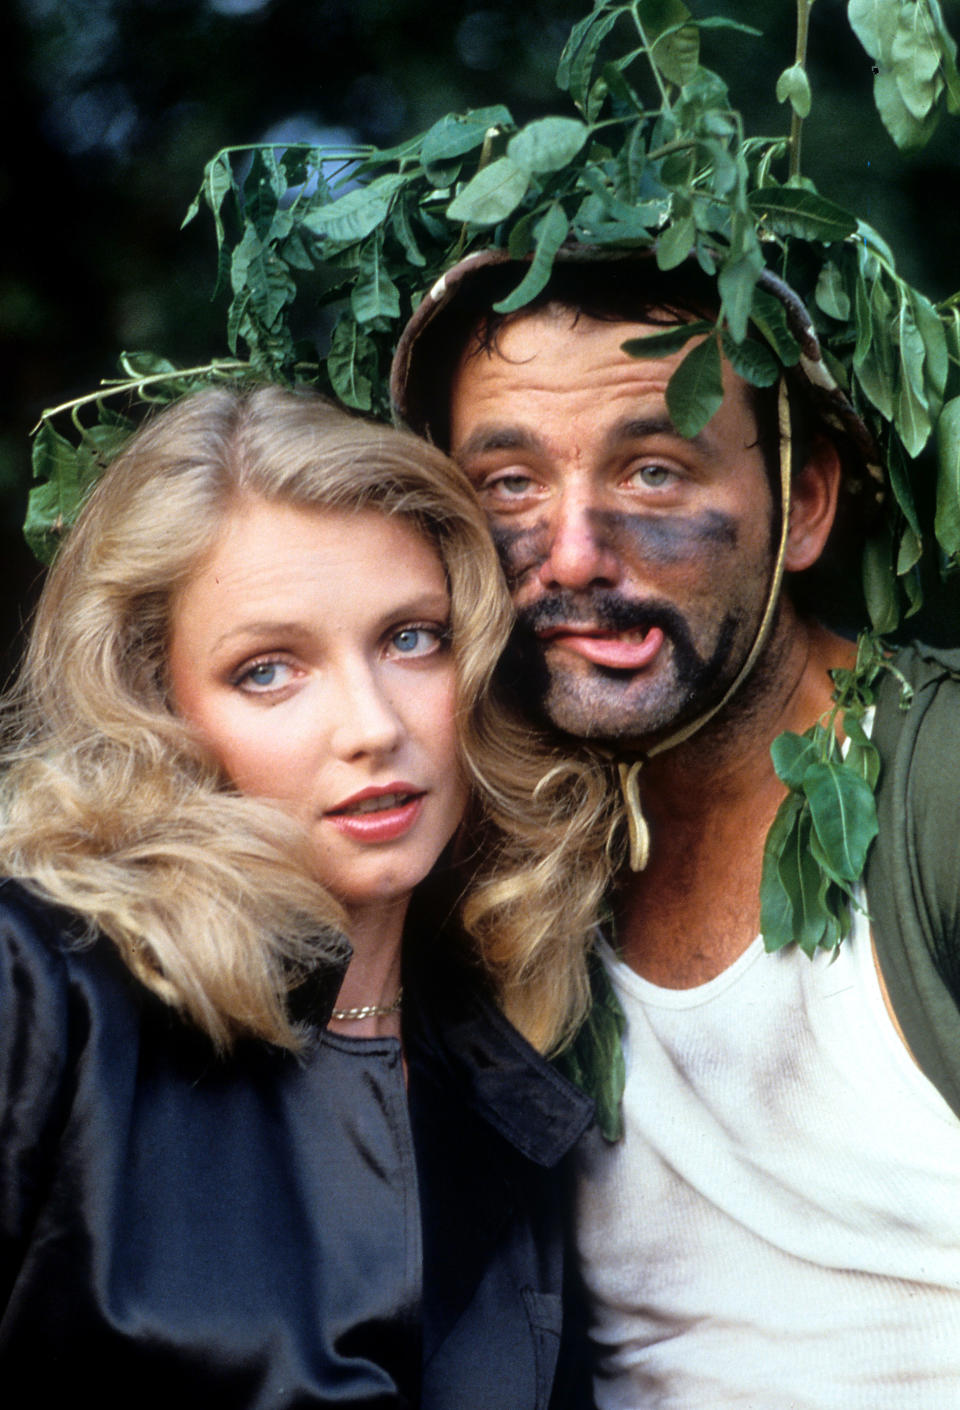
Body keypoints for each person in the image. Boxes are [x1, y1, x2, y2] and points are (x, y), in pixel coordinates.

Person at [389, 251, 960, 1407]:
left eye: (652, 472)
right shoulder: (457, 850)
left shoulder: (936, 788)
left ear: (802, 506)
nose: (574, 555)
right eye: (506, 484)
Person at [0, 382, 619, 1407]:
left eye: (411, 638)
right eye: (269, 670)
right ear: (156, 705)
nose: (372, 724)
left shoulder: (513, 1093)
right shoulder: (40, 987)